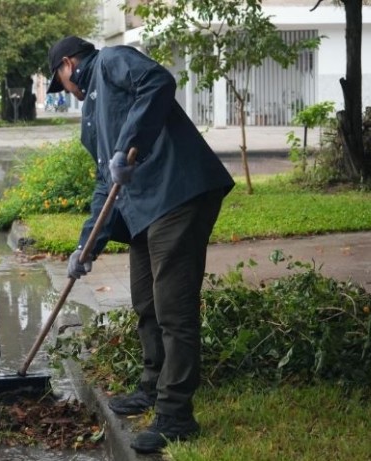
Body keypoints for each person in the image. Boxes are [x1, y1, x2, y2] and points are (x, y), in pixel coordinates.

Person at [46, 36, 235, 453]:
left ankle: (176, 415)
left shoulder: (113, 60)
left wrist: (131, 141)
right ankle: (152, 385)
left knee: (173, 309)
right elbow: (105, 184)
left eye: (63, 83)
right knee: (145, 302)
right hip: (144, 209)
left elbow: (158, 82)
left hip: (179, 193)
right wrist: (85, 249)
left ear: (68, 64)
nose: (68, 92)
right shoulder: (92, 117)